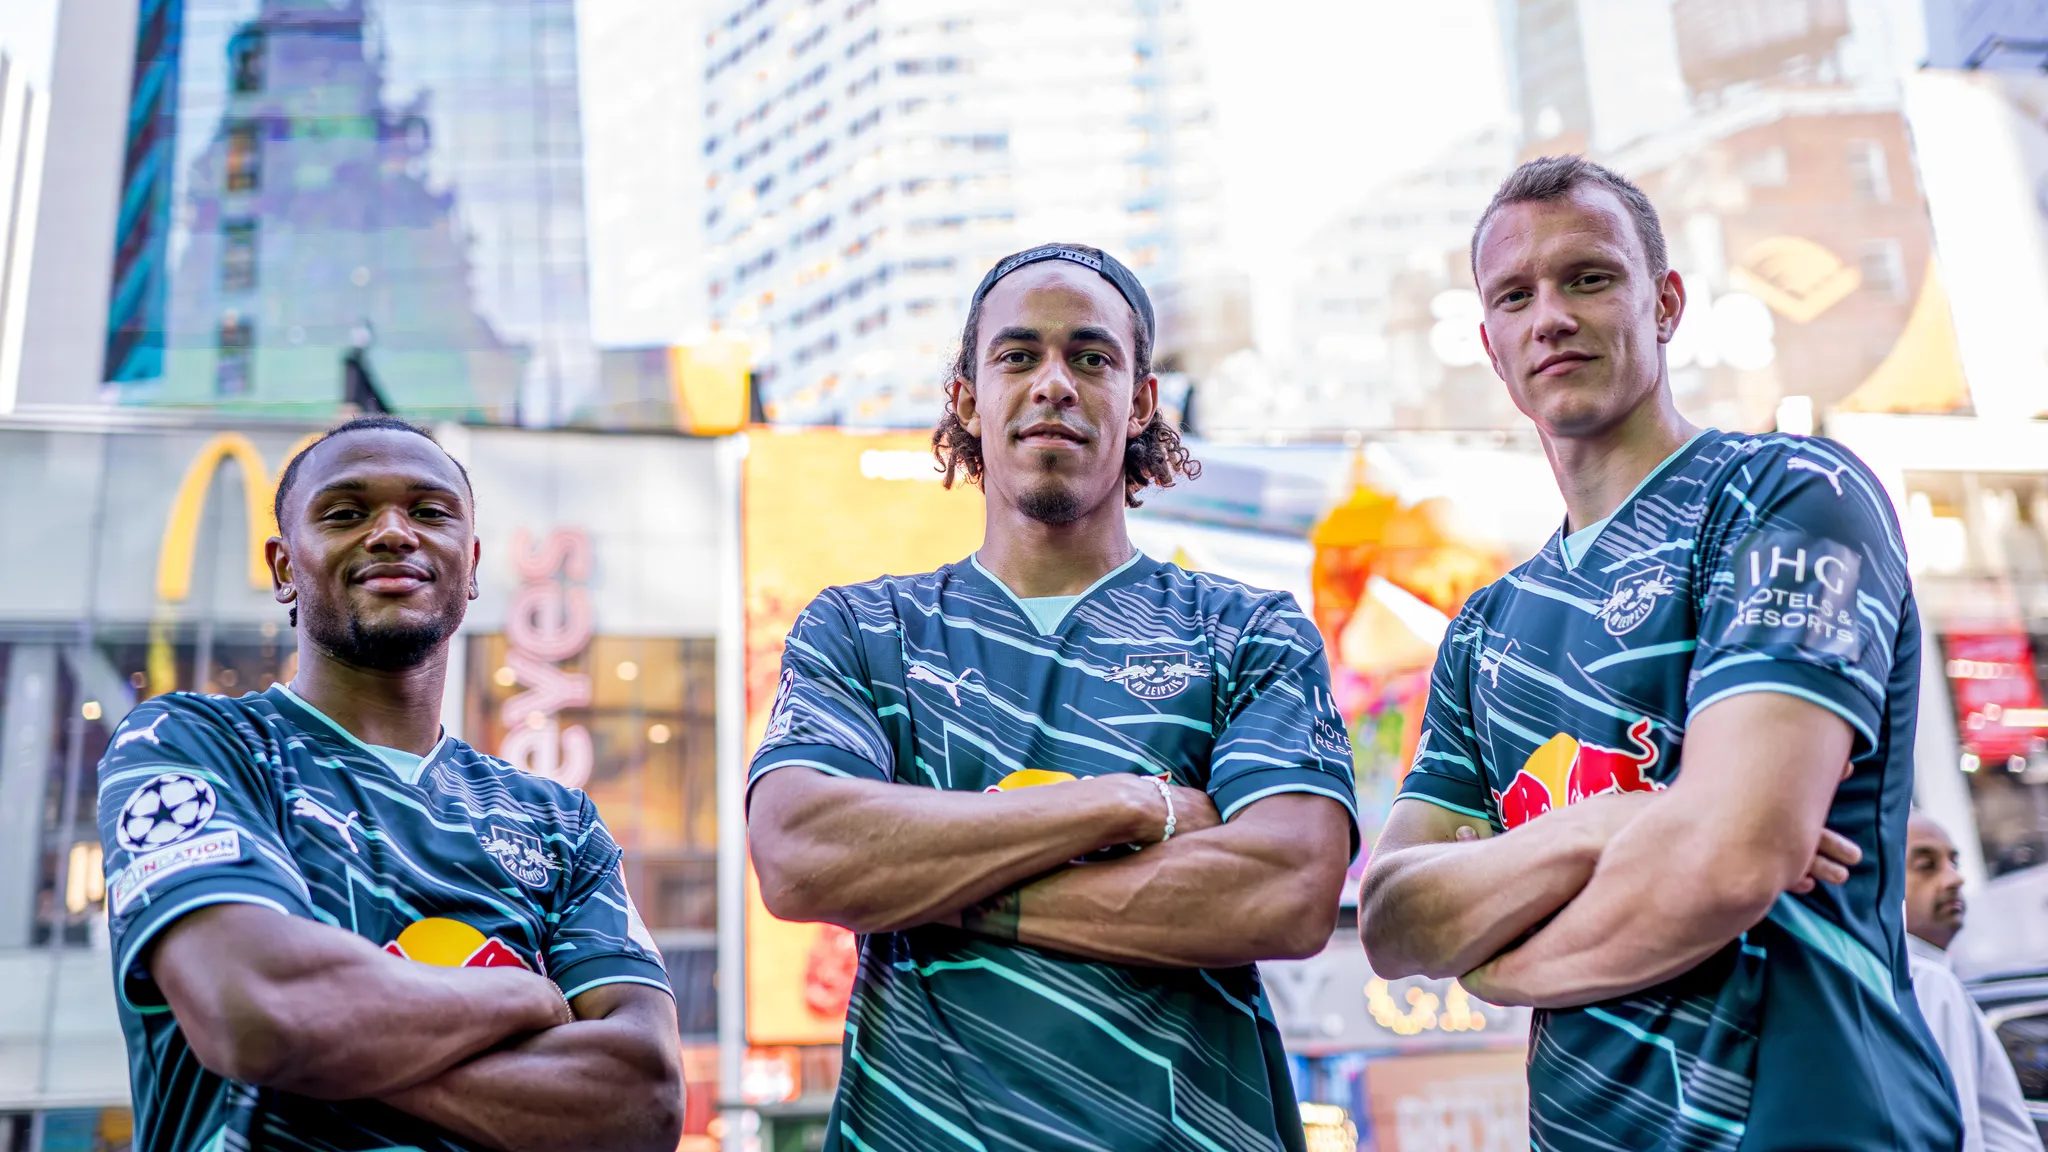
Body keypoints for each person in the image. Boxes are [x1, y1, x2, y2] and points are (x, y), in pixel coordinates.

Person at [1356, 156, 1961, 1151]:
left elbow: (1728, 861)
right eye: (1515, 295)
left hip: (1811, 1119)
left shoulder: (1783, 494)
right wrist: (1609, 824)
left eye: (1587, 277)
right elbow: (1394, 917)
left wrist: (1489, 962)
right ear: (1490, 345)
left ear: (1664, 301)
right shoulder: (1485, 626)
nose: (1549, 313)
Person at [745, 242, 1359, 1152]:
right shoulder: (862, 630)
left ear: (1142, 400)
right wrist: (1128, 804)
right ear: (967, 397)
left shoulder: (1248, 631)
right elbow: (802, 855)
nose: (1055, 383)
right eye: (1019, 355)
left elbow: (1289, 888)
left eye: (1092, 356)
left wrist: (927, 884)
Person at [95, 416, 682, 1152]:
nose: (393, 532)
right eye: (346, 512)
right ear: (283, 568)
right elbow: (256, 1008)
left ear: (470, 567)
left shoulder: (559, 823)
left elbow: (643, 1100)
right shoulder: (193, 746)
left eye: (429, 511)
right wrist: (522, 997)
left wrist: (326, 1041)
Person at [1906, 812, 2043, 1152]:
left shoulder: (1933, 979)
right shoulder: (1922, 983)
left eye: (1954, 862)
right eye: (1926, 866)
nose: (1955, 879)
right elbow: (1962, 1136)